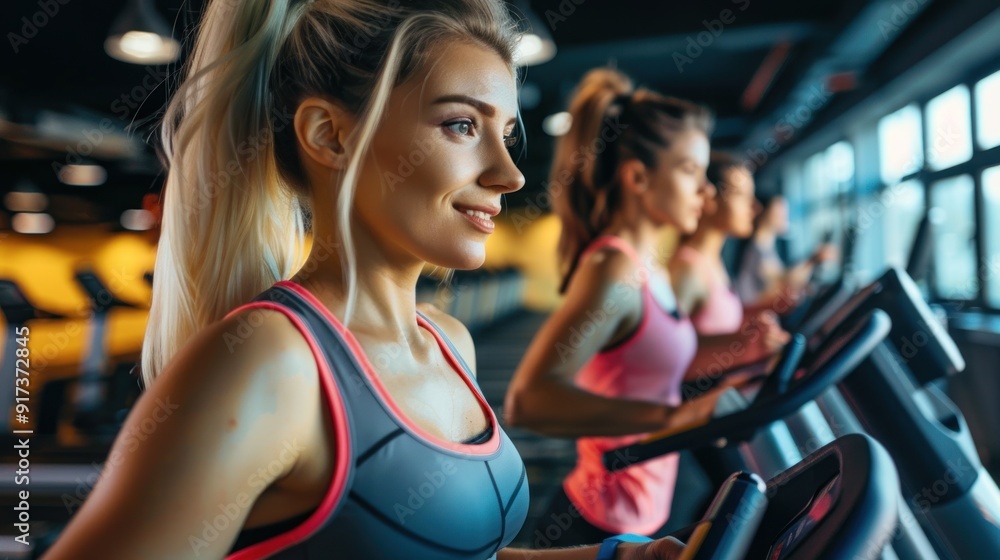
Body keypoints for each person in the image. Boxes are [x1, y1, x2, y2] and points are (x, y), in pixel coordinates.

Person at [40, 1, 684, 559]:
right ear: (330, 135)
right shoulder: (269, 364)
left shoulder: (448, 342)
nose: (509, 174)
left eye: (507, 134)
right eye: (462, 125)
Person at [504, 68, 748, 548]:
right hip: (600, 519)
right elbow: (528, 400)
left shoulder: (648, 266)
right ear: (638, 176)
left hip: (642, 509)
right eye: (690, 172)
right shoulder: (614, 268)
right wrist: (670, 418)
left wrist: (747, 348)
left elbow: (655, 362)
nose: (707, 191)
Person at [669, 153, 789, 386]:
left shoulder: (713, 261)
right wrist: (745, 347)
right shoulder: (688, 269)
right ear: (710, 198)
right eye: (742, 196)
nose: (754, 208)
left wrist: (755, 324)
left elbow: (711, 326)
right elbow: (669, 359)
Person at [734, 194, 837, 312]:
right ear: (764, 212)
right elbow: (783, 280)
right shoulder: (755, 249)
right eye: (779, 212)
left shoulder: (767, 248)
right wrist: (812, 260)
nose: (785, 216)